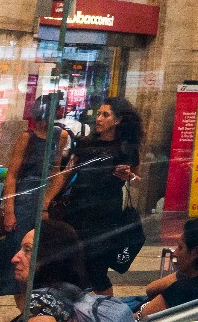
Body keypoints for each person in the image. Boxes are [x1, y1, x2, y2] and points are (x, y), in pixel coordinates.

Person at [52, 97, 144, 295]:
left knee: (97, 271)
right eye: (99, 114)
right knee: (72, 265)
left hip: (105, 215)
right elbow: (67, 173)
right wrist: (48, 199)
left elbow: (137, 179)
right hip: (77, 210)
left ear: (117, 120)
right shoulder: (86, 143)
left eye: (105, 115)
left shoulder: (125, 148)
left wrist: (128, 176)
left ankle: (106, 312)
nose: (99, 119)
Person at [0, 102, 72, 313]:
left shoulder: (61, 136)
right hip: (25, 199)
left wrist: (49, 198)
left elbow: (56, 170)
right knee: (19, 256)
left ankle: (38, 308)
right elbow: (12, 175)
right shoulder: (27, 138)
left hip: (44, 200)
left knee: (42, 255)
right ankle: (24, 312)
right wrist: (9, 209)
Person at [11, 219, 120, 322]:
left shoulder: (41, 303)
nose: (14, 258)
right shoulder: (68, 290)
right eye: (20, 249)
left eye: (28, 250)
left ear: (50, 257)